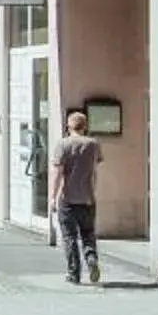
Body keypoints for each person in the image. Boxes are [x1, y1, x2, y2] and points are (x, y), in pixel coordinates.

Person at [48, 108, 104, 287]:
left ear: (68, 126)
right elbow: (95, 170)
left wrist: (52, 197)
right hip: (88, 197)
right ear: (85, 126)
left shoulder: (63, 145)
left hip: (68, 198)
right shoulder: (93, 144)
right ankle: (91, 257)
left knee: (70, 237)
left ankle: (74, 273)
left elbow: (58, 172)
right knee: (88, 234)